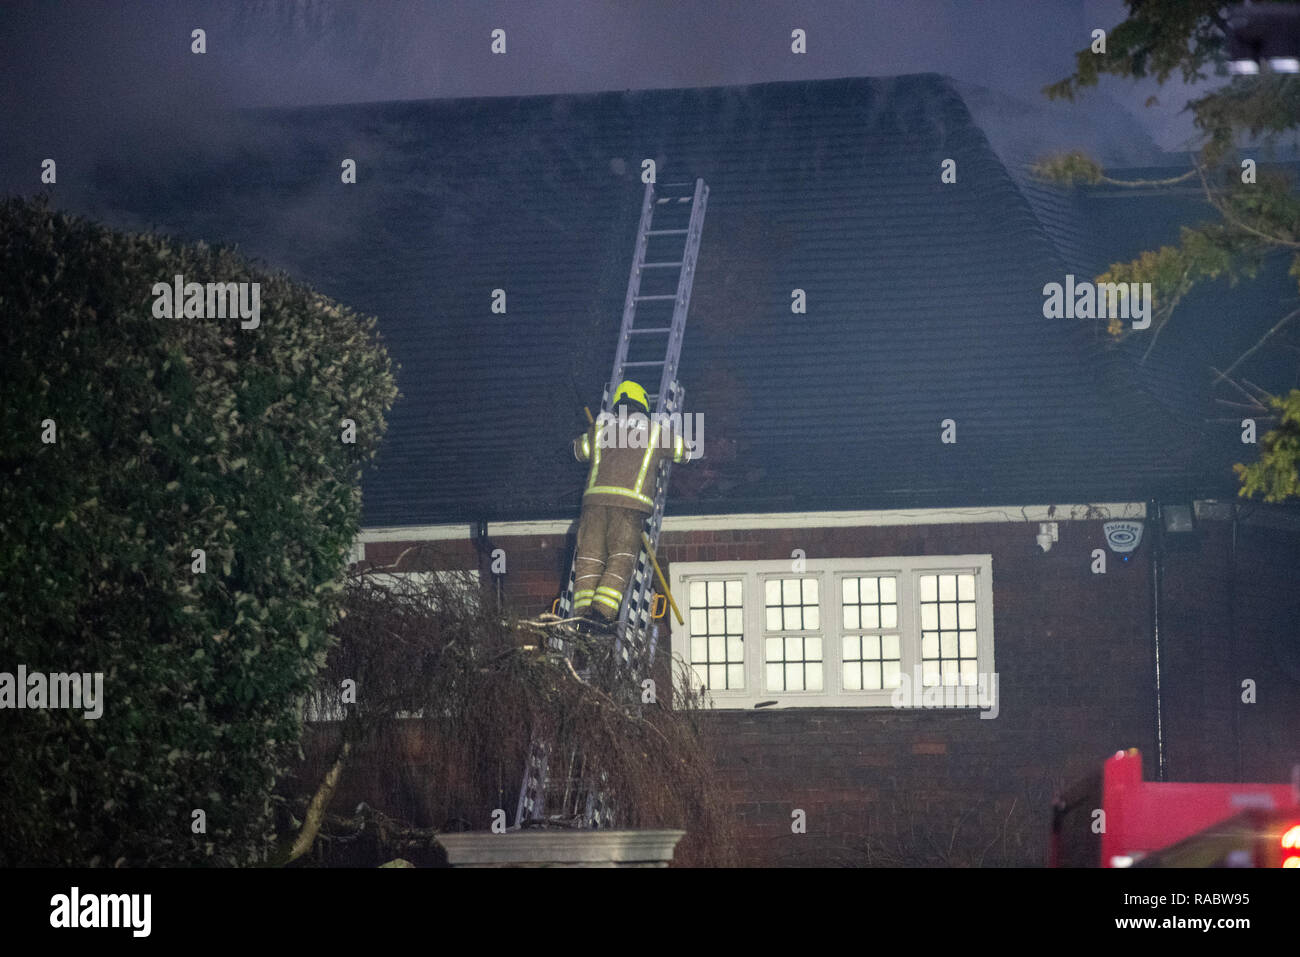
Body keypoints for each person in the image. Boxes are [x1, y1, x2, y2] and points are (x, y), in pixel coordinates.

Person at [571, 379, 688, 629]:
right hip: (628, 507)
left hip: (592, 505)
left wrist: (595, 435)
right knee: (621, 557)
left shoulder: (601, 426)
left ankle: (581, 616)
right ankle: (601, 614)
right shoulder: (653, 430)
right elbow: (683, 451)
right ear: (643, 404)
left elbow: (578, 451)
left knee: (589, 558)